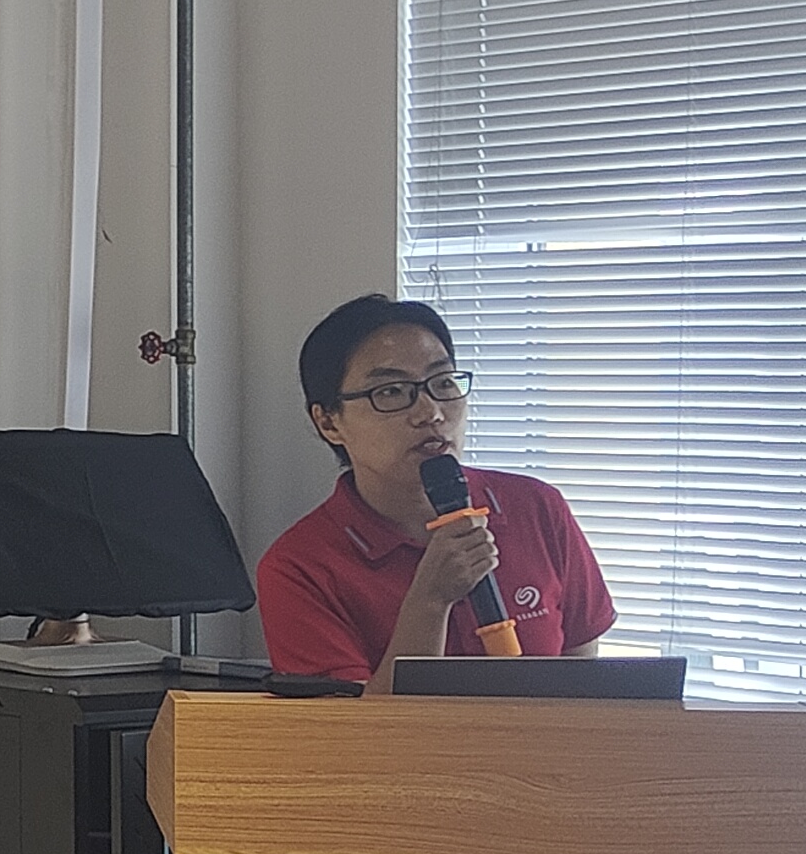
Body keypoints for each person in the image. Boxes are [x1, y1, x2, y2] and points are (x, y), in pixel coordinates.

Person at [255, 294, 616, 687]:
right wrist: (430, 600)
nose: (431, 412)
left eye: (443, 383)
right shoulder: (297, 568)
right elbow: (356, 724)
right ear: (329, 423)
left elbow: (582, 677)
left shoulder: (537, 507)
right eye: (391, 391)